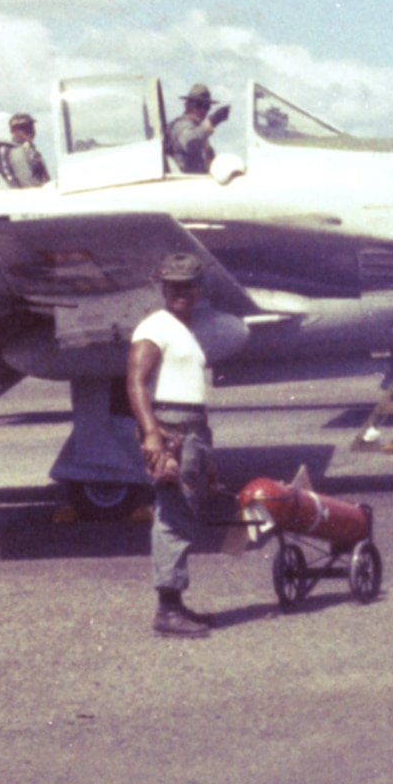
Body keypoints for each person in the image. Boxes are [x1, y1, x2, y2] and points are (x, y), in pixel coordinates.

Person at [128, 252, 223, 638]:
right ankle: (167, 611)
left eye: (190, 284)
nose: (183, 291)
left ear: (199, 288)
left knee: (184, 512)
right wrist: (151, 433)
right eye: (176, 286)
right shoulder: (156, 327)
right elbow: (135, 382)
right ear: (165, 289)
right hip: (171, 430)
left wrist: (207, 455)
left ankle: (176, 604)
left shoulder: (186, 331)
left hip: (193, 430)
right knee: (173, 516)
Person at [166, 84, 230, 174]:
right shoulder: (180, 125)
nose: (203, 111)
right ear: (187, 106)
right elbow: (190, 143)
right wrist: (211, 122)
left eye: (206, 107)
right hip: (184, 184)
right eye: (199, 105)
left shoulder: (198, 132)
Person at [0, 112, 50, 188]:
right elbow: (23, 183)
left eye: (31, 126)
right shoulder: (12, 151)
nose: (30, 130)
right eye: (24, 128)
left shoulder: (30, 149)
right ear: (12, 131)